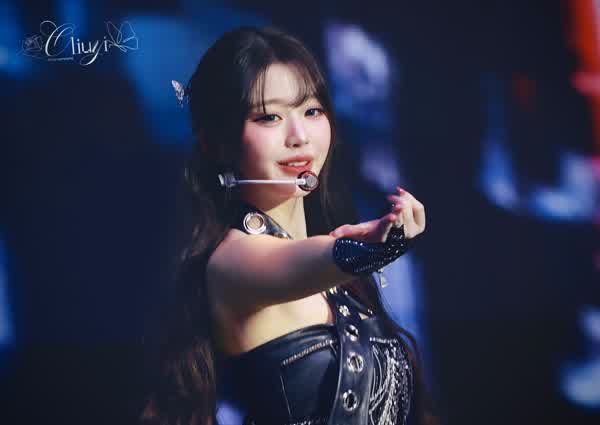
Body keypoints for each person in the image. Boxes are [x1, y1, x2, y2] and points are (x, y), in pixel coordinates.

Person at [141, 26, 433, 425]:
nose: (299, 136)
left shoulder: (339, 282)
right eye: (269, 117)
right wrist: (377, 246)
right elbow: (307, 259)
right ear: (217, 144)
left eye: (312, 111)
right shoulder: (232, 261)